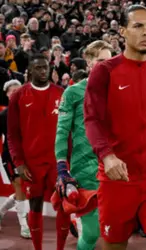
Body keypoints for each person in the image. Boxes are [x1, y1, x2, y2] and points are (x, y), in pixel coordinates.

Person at [84, 5, 146, 250]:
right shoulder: (104, 72)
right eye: (138, 26)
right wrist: (107, 156)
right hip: (117, 179)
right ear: (123, 32)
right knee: (112, 245)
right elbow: (92, 120)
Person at [54, 40, 113, 250]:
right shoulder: (72, 93)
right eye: (101, 61)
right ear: (89, 63)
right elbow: (61, 132)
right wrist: (62, 166)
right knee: (91, 233)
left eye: (111, 61)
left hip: (116, 167)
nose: (107, 66)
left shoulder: (120, 91)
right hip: (85, 170)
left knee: (115, 231)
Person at [7, 54, 69, 250]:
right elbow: (13, 134)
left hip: (58, 161)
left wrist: (69, 160)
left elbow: (70, 131)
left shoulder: (62, 93)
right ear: (30, 71)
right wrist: (19, 162)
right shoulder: (18, 96)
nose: (44, 71)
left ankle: (60, 247)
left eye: (46, 68)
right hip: (32, 163)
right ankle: (38, 247)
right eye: (39, 68)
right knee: (35, 205)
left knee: (64, 205)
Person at [0, 79, 30, 239]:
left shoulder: (29, 110)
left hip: (28, 155)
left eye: (18, 90)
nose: (16, 93)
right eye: (12, 91)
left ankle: (2, 211)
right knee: (19, 185)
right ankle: (24, 226)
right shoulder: (4, 115)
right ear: (7, 94)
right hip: (10, 155)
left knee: (24, 189)